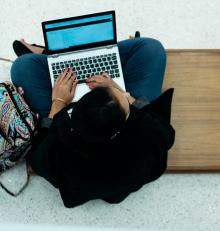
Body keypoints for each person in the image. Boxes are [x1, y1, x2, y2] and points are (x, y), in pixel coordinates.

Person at [10, 36, 175, 208]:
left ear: (73, 113)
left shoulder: (57, 147)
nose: (120, 92)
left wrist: (58, 102)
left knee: (22, 67)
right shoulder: (148, 138)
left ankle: (51, 54)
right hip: (119, 187)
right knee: (151, 49)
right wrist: (124, 93)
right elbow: (163, 130)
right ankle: (91, 55)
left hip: (80, 179)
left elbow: (38, 159)